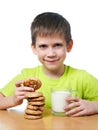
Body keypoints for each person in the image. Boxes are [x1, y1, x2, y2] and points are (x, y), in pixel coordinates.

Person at [0, 12, 98, 117]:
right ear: (34, 48)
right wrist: (13, 100)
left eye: (57, 45)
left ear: (69, 46)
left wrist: (94, 106)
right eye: (43, 46)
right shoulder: (27, 77)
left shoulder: (82, 77)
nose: (51, 54)